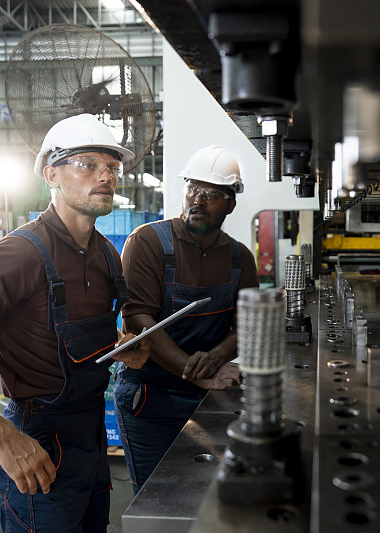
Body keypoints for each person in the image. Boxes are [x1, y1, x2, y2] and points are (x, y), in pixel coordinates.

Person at [0, 113, 151, 533]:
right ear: (51, 173)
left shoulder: (106, 253)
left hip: (91, 434)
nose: (105, 176)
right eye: (88, 164)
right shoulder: (19, 255)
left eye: (112, 166)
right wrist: (3, 438)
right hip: (39, 444)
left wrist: (125, 346)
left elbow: (85, 338)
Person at [114, 145, 257, 494]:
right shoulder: (148, 242)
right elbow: (137, 319)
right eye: (192, 188)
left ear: (231, 204)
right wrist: (192, 370)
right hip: (150, 397)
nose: (198, 199)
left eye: (211, 194)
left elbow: (247, 324)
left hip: (209, 395)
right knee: (157, 498)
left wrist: (218, 357)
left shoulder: (240, 258)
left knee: (208, 493)